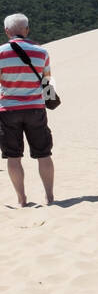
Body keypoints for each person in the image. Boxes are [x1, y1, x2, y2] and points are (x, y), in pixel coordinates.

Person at [0, 13, 55, 206]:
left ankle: (21, 199)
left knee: (13, 157)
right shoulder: (42, 52)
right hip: (36, 109)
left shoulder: (1, 52)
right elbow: (47, 81)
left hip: (8, 110)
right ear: (27, 29)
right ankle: (49, 196)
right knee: (44, 154)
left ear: (7, 31)